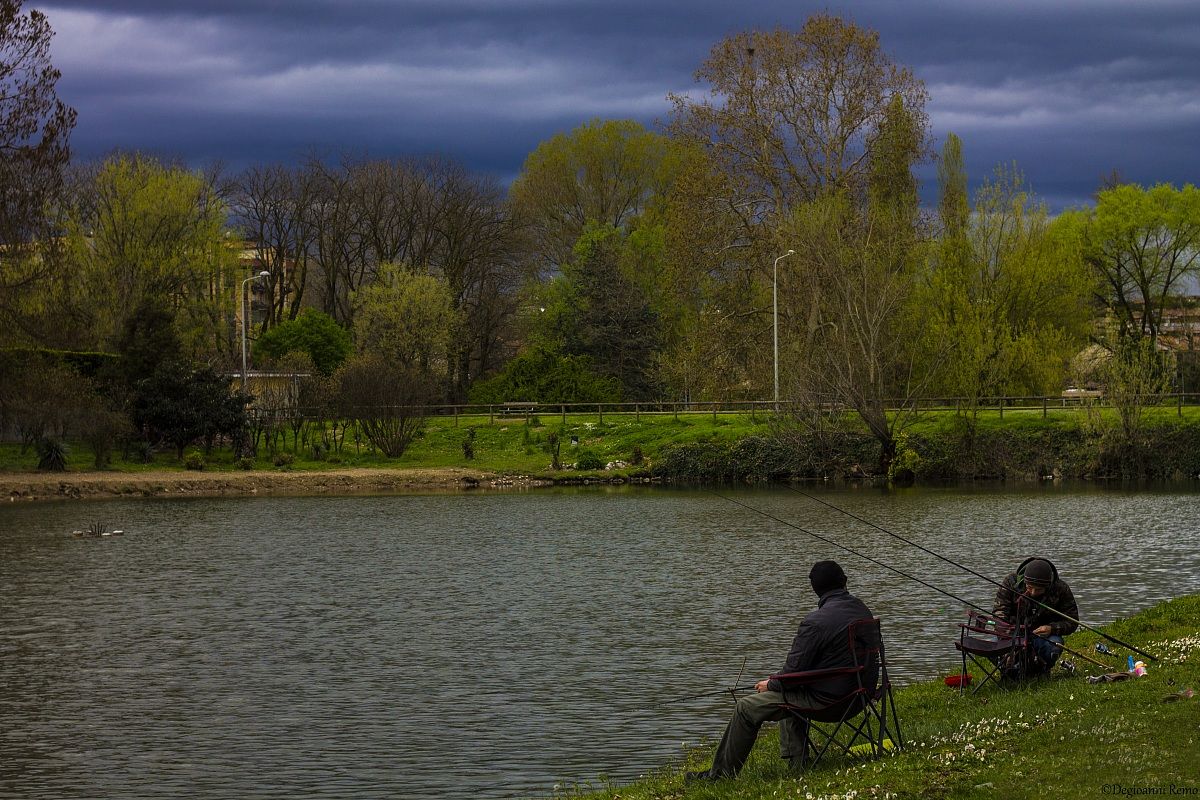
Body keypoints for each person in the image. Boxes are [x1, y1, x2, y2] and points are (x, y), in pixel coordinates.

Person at [687, 560, 876, 781]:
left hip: (833, 703)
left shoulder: (815, 622)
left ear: (814, 589)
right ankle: (798, 764)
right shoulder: (863, 609)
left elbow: (790, 675)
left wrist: (771, 684)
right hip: (862, 694)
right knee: (791, 694)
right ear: (844, 581)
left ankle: (720, 776)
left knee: (745, 708)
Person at [992, 557, 1079, 677]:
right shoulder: (1010, 582)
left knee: (1054, 645)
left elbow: (1072, 621)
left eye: (1038, 590)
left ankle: (1040, 670)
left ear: (1047, 586)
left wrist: (1052, 628)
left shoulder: (1061, 588)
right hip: (1013, 634)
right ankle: (1010, 671)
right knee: (992, 646)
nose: (1032, 592)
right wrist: (1008, 641)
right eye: (1029, 587)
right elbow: (999, 613)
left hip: (1042, 636)